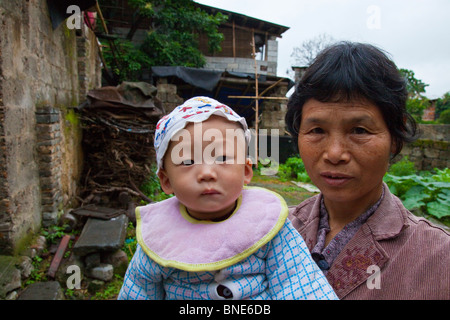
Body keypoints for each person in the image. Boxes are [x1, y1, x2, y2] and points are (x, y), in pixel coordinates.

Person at [118, 96, 337, 300]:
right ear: (166, 181)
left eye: (222, 157)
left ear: (245, 171)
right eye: (187, 162)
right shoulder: (159, 235)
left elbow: (300, 285)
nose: (206, 173)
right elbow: (138, 291)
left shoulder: (267, 224)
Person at [285, 41, 450, 300]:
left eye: (359, 130)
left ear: (395, 137)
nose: (335, 153)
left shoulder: (439, 257)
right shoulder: (274, 231)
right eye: (317, 130)